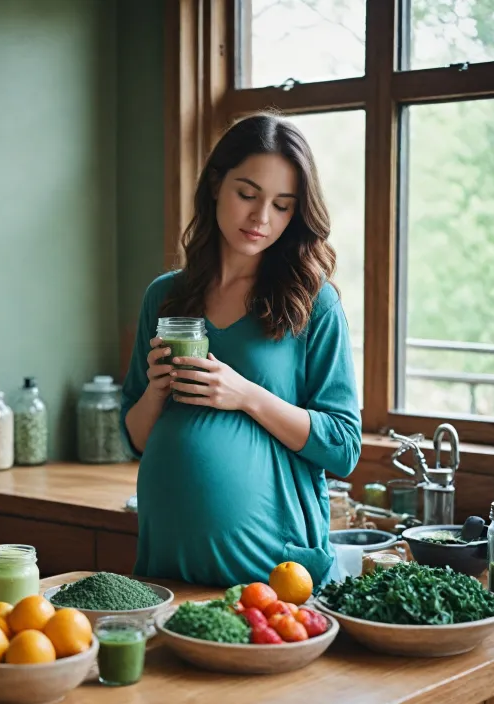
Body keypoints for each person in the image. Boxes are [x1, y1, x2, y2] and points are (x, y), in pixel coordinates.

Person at [120, 112, 361, 588]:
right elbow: (138, 438)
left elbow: (343, 446)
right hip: (168, 562)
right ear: (215, 184)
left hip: (271, 573)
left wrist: (245, 394)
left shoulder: (312, 302)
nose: (261, 218)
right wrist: (156, 391)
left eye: (283, 205)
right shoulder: (165, 298)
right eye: (247, 194)